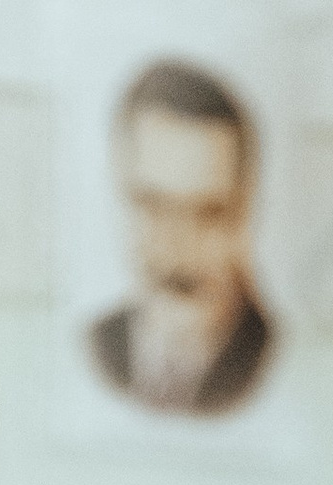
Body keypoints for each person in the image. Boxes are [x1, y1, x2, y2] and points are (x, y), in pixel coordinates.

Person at [88, 57, 275, 419]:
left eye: (208, 214)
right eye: (153, 206)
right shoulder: (97, 346)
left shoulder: (267, 361)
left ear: (246, 212)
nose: (177, 249)